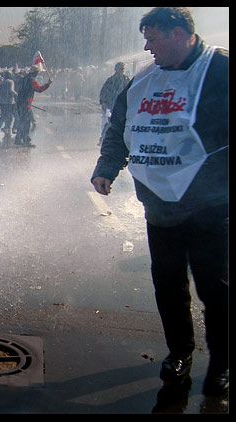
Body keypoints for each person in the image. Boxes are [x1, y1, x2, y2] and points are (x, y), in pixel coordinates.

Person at [91, 7, 228, 397]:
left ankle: (222, 361)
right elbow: (120, 126)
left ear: (182, 33)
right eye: (145, 39)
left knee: (215, 290)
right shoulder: (142, 80)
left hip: (211, 206)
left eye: (154, 38)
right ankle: (179, 352)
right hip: (160, 207)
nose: (147, 47)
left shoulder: (219, 70)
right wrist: (107, 167)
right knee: (167, 284)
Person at [14, 65, 51, 147]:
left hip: (20, 102)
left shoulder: (24, 78)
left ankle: (18, 139)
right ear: (35, 73)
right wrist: (48, 84)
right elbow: (39, 89)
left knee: (22, 122)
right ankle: (25, 140)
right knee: (26, 123)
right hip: (25, 104)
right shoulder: (31, 80)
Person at [97, 62, 130, 146]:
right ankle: (103, 138)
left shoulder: (126, 79)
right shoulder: (111, 80)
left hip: (123, 106)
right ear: (116, 69)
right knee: (110, 122)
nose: (122, 70)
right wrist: (104, 102)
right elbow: (104, 91)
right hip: (111, 105)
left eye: (123, 69)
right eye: (120, 69)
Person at [0, 70, 17, 139]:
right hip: (10, 103)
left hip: (3, 103)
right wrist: (17, 95)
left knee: (3, 117)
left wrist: (0, 101)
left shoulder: (1, 83)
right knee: (14, 116)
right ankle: (10, 129)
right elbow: (11, 91)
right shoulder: (11, 82)